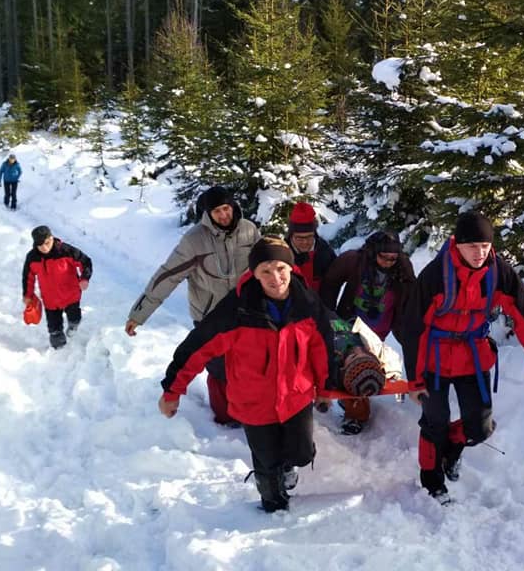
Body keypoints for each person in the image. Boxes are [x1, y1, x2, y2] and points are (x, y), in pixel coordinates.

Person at [158, 236, 337, 513]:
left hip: (296, 397)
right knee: (266, 461)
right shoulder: (238, 309)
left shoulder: (307, 304)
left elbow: (322, 347)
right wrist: (172, 392)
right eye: (265, 271)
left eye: (280, 268)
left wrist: (325, 388)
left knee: (301, 453)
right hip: (254, 402)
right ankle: (273, 504)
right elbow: (196, 349)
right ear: (253, 274)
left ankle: (288, 467)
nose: (275, 278)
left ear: (291, 268)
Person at [400, 210, 524, 504]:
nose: (480, 253)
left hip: (473, 356)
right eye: (472, 246)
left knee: (480, 427)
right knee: (436, 421)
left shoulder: (498, 273)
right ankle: (433, 483)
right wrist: (415, 380)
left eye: (485, 246)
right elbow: (414, 328)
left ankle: (453, 448)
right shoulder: (435, 275)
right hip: (435, 358)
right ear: (457, 244)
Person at [126, 186, 260, 425]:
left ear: (234, 207)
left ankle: (247, 409)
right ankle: (225, 419)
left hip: (244, 313)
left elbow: (264, 266)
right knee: (219, 369)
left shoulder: (249, 231)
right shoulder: (195, 239)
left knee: (246, 365)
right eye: (217, 211)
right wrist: (140, 313)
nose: (223, 215)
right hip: (209, 315)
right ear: (208, 214)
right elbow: (168, 275)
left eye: (226, 208)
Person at [320, 230, 414, 434]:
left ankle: (360, 400)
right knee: (354, 364)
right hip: (350, 322)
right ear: (373, 252)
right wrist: (326, 315)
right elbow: (330, 283)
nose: (389, 262)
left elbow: (410, 295)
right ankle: (355, 414)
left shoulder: (402, 266)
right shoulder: (353, 261)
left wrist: (406, 326)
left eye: (393, 258)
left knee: (370, 363)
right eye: (384, 257)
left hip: (380, 325)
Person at [22, 225, 93, 349]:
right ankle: (59, 352)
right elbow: (28, 276)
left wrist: (84, 278)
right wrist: (28, 295)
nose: (44, 248)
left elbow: (85, 261)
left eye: (47, 243)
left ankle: (73, 326)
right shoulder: (33, 258)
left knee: (75, 318)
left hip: (71, 295)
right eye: (40, 245)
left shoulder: (66, 251)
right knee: (54, 330)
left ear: (51, 237)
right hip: (50, 300)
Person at [285, 201, 337, 292]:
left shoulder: (325, 252)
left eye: (309, 237)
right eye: (299, 238)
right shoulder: (282, 253)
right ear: (291, 235)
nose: (305, 242)